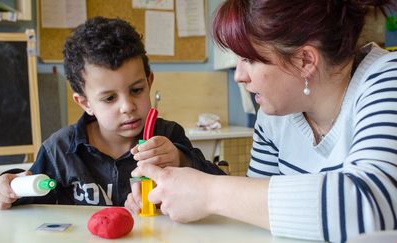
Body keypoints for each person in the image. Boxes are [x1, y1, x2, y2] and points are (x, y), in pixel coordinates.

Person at [125, 0, 397, 242]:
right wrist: (178, 195)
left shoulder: (387, 78)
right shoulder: (273, 116)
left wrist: (208, 193)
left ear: (305, 60)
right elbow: (254, 212)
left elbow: (371, 205)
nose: (239, 76)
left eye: (248, 59)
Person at [0, 17, 224, 210]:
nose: (127, 106)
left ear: (149, 82)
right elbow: (25, 193)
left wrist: (181, 159)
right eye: (109, 98)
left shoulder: (169, 136)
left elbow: (218, 186)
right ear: (85, 103)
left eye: (136, 90)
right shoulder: (60, 149)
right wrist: (7, 187)